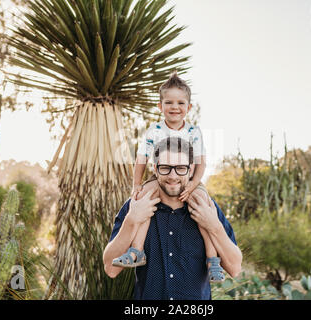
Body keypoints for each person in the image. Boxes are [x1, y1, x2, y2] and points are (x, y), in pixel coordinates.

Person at [110, 71, 226, 282]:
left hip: (188, 178)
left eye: (181, 103)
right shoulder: (154, 130)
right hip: (160, 177)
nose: (175, 107)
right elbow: (142, 159)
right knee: (144, 199)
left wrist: (193, 184)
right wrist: (137, 184)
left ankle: (212, 259)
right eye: (169, 102)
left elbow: (201, 163)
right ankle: (137, 251)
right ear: (160, 106)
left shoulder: (193, 132)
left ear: (188, 107)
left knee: (202, 203)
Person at [103, 137, 242, 300]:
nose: (172, 175)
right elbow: (110, 269)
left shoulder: (207, 208)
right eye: (165, 168)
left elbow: (234, 268)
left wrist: (214, 226)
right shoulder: (136, 205)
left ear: (191, 170)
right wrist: (132, 220)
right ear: (155, 168)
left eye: (180, 168)